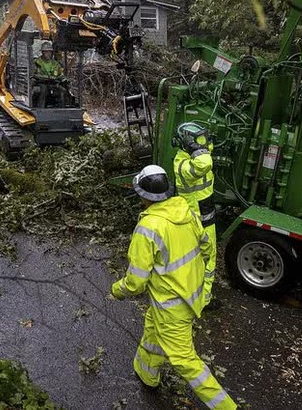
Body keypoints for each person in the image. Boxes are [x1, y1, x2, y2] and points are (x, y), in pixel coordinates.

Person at [111, 165, 237, 410]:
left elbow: (136, 282)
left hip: (172, 306)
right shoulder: (185, 211)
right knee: (152, 330)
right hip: (190, 295)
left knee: (184, 360)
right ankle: (147, 373)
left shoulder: (148, 228)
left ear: (143, 196)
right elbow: (207, 247)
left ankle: (227, 407)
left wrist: (118, 289)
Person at [173, 122, 219, 309]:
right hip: (198, 220)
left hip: (203, 215)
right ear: (189, 145)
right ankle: (203, 301)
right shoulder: (182, 164)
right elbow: (204, 162)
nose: (204, 145)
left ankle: (190, 295)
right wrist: (199, 148)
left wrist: (203, 144)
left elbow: (206, 153)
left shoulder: (195, 155)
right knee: (207, 260)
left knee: (198, 260)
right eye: (198, 142)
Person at [33, 41, 67, 108]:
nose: (48, 54)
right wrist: (45, 77)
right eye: (46, 52)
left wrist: (64, 79)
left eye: (50, 52)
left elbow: (59, 74)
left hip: (53, 83)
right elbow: (33, 74)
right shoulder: (37, 62)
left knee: (62, 90)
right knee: (43, 89)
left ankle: (61, 109)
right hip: (40, 83)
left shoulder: (55, 63)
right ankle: (40, 109)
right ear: (42, 52)